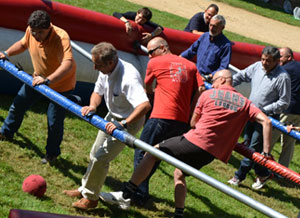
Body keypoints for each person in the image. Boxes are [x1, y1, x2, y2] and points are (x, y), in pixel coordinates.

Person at [98, 69, 273, 218]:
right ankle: (179, 214)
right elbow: (266, 122)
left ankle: (126, 194)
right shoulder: (245, 103)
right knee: (179, 173)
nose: (212, 83)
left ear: (222, 79)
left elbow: (193, 123)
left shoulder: (208, 94)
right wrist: (265, 152)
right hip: (211, 154)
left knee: (152, 151)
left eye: (214, 80)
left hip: (195, 141)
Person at [62, 42, 151, 210]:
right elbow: (98, 91)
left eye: (98, 65)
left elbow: (145, 106)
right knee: (94, 153)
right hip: (112, 116)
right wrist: (93, 106)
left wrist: (123, 124)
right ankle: (85, 189)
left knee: (101, 157)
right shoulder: (106, 68)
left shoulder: (128, 77)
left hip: (129, 121)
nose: (95, 68)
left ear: (111, 62)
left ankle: (91, 199)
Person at [132, 37, 205, 205]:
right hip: (181, 122)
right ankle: (140, 190)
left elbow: (147, 87)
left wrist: (154, 92)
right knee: (156, 156)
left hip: (161, 116)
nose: (149, 56)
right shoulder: (191, 66)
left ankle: (138, 192)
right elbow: (201, 89)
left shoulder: (155, 63)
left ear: (163, 48)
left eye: (151, 52)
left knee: (143, 152)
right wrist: (191, 111)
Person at [0, 10, 76, 164]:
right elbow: (23, 44)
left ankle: (52, 154)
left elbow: (67, 64)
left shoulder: (61, 37)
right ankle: (6, 133)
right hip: (37, 79)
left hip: (60, 86)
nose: (36, 35)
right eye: (34, 32)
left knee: (54, 121)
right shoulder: (31, 30)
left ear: (49, 28)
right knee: (18, 105)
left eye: (40, 32)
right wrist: (6, 53)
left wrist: (48, 80)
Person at [228, 46, 291, 190]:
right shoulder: (257, 66)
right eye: (262, 59)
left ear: (277, 61)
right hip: (251, 113)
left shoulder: (283, 77)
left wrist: (265, 110)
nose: (264, 63)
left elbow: (284, 102)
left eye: (268, 61)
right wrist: (227, 83)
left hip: (265, 118)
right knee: (249, 143)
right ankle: (263, 173)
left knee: (253, 147)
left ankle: (239, 176)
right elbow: (241, 76)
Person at [269, 47, 300, 168]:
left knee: (271, 136)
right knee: (289, 141)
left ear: (289, 57)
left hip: (286, 109)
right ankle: (282, 170)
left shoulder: (285, 69)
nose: (278, 59)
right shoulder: (297, 66)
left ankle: (260, 163)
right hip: (298, 111)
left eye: (280, 56)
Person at [181, 15, 231, 82]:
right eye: (210, 25)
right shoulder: (204, 36)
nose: (211, 28)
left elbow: (223, 67)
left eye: (215, 26)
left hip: (210, 81)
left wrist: (208, 77)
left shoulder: (226, 45)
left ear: (222, 28)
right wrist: (178, 58)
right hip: (197, 75)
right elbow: (191, 51)